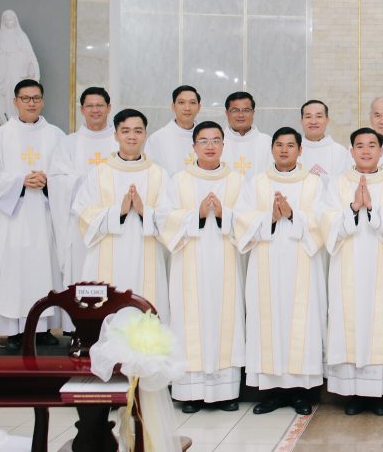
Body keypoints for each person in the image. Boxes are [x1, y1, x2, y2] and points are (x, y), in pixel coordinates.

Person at [235, 127, 327, 415]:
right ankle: (272, 393)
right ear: (272, 149)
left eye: (290, 145)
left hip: (303, 263)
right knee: (268, 320)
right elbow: (241, 220)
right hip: (266, 263)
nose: (284, 150)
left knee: (302, 322)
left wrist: (292, 215)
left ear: (300, 150)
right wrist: (271, 218)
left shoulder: (314, 183)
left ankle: (301, 393)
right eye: (279, 145)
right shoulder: (256, 183)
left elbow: (322, 221)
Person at [157, 121, 245, 413]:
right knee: (188, 321)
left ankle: (226, 392)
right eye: (204, 141)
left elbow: (248, 220)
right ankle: (190, 392)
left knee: (226, 319)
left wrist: (223, 214)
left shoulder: (237, 181)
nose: (210, 146)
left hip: (226, 262)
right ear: (193, 146)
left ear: (223, 145)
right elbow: (164, 219)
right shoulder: (179, 180)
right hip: (188, 264)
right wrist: (196, 213)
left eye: (216, 140)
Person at [322, 128, 383, 416]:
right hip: (346, 267)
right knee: (350, 321)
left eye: (372, 145)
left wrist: (371, 209)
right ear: (351, 151)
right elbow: (325, 223)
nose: (366, 150)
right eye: (360, 145)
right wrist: (352, 208)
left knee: (382, 321)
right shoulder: (337, 185)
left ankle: (380, 393)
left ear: (382, 151)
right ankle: (354, 393)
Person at [0, 79, 64, 351]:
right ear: (15, 101)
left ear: (43, 101)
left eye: (36, 98)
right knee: (14, 275)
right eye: (25, 98)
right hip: (12, 219)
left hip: (46, 219)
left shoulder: (56, 136)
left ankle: (44, 329)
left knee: (45, 272)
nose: (31, 103)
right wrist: (20, 182)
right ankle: (14, 332)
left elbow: (66, 176)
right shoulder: (0, 137)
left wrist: (49, 182)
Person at [71, 108, 169, 321]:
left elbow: (170, 218)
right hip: (105, 253)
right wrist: (119, 212)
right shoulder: (99, 172)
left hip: (146, 253)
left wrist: (143, 211)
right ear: (115, 135)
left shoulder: (159, 174)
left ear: (145, 134)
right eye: (125, 131)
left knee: (145, 305)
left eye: (137, 131)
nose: (132, 136)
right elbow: (83, 212)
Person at [48, 87, 118, 292]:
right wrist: (88, 181)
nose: (95, 110)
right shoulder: (68, 143)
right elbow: (56, 180)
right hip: (80, 224)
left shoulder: (120, 140)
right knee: (81, 275)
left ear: (109, 108)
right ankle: (79, 313)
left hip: (112, 222)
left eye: (100, 105)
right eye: (90, 106)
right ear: (81, 109)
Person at [0, 9, 40, 124]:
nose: (8, 22)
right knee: (3, 95)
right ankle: (4, 121)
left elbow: (30, 54)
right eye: (6, 20)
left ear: (15, 20)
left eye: (10, 19)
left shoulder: (21, 36)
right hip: (3, 71)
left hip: (17, 70)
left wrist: (32, 66)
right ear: (3, 21)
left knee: (16, 92)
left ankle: (18, 120)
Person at [146, 85, 201, 176]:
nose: (187, 108)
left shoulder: (209, 137)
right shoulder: (157, 138)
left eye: (192, 102)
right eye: (181, 102)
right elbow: (151, 175)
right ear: (173, 106)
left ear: (199, 107)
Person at [221, 91, 272, 182]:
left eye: (246, 110)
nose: (240, 115)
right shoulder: (217, 141)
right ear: (227, 113)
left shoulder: (267, 142)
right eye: (235, 110)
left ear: (253, 113)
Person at [299, 99, 352, 181]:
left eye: (319, 116)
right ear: (301, 121)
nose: (313, 121)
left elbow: (345, 183)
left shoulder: (340, 151)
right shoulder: (292, 151)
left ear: (327, 120)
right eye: (308, 117)